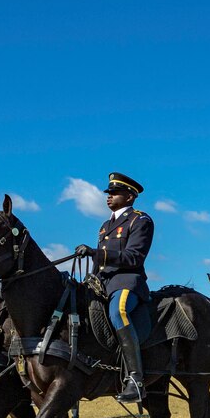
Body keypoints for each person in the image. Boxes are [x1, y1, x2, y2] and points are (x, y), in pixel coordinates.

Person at [75, 172, 154, 402]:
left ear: (130, 197)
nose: (109, 196)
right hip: (103, 283)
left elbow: (134, 257)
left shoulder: (140, 220)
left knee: (118, 311)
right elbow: (99, 264)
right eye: (108, 193)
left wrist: (96, 252)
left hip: (126, 282)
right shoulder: (105, 226)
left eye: (114, 192)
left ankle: (136, 380)